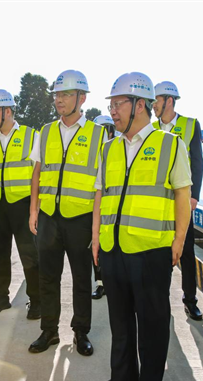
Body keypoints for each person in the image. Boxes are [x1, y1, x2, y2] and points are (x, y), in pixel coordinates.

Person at [92, 72, 192, 381]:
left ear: (139, 104)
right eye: (111, 105)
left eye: (118, 104)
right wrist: (96, 237)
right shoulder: (108, 148)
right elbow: (100, 195)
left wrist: (179, 241)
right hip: (113, 247)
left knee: (152, 323)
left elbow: (183, 194)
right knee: (119, 321)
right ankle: (123, 377)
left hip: (151, 250)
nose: (112, 111)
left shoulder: (170, 144)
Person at [28, 70, 104, 355]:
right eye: (57, 95)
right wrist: (33, 210)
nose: (59, 100)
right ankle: (49, 331)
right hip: (49, 216)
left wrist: (96, 228)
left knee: (82, 279)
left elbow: (101, 185)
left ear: (82, 98)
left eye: (66, 94)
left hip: (80, 218)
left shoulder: (98, 134)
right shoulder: (46, 131)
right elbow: (37, 173)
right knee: (47, 277)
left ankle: (80, 332)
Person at [0, 89, 41, 319]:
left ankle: (37, 301)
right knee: (0, 255)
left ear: (7, 111)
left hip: (23, 205)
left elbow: (39, 174)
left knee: (29, 255)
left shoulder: (31, 136)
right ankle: (1, 298)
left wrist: (35, 209)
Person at [152, 81, 203, 320]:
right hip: (158, 202)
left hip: (182, 200)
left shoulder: (190, 125)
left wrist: (194, 196)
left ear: (169, 101)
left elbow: (197, 162)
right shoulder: (151, 128)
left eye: (156, 101)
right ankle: (161, 298)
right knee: (160, 251)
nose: (153, 106)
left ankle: (190, 300)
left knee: (186, 252)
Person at [90, 114, 118, 300]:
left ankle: (113, 281)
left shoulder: (116, 150)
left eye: (108, 129)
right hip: (93, 205)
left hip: (112, 207)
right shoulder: (92, 151)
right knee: (95, 247)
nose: (106, 133)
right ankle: (100, 283)